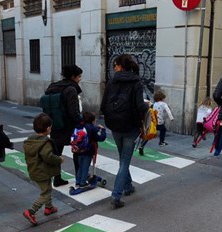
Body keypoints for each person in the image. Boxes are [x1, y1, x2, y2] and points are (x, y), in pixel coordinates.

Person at [100, 54, 148, 209]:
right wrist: (148, 107)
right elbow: (140, 106)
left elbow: (102, 106)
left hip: (114, 125)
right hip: (130, 126)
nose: (114, 68)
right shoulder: (136, 82)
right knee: (125, 161)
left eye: (116, 65)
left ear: (121, 66)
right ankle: (116, 195)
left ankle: (128, 186)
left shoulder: (111, 82)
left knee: (122, 158)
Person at [44, 64, 83, 187]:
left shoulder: (52, 86)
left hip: (55, 124)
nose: (80, 79)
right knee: (78, 151)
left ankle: (57, 178)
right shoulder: (71, 89)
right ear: (73, 77)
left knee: (56, 153)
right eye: (79, 76)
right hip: (69, 126)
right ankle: (80, 177)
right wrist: (81, 122)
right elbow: (73, 111)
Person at [22, 113, 64, 226]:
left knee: (47, 188)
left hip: (35, 170)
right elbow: (48, 156)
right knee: (46, 192)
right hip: (42, 171)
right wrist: (59, 159)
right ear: (48, 128)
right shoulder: (45, 142)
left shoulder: (31, 141)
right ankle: (31, 211)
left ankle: (49, 208)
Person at [72, 111, 107, 187]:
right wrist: (103, 130)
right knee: (85, 167)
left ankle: (78, 181)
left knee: (80, 167)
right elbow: (101, 138)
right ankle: (83, 183)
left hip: (78, 150)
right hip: (88, 151)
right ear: (92, 121)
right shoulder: (92, 128)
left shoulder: (79, 126)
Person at [138, 90, 174, 155]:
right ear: (162, 98)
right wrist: (171, 118)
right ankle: (161, 142)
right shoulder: (164, 104)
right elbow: (168, 111)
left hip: (153, 122)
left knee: (149, 135)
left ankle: (142, 145)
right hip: (160, 122)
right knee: (163, 129)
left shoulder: (154, 104)